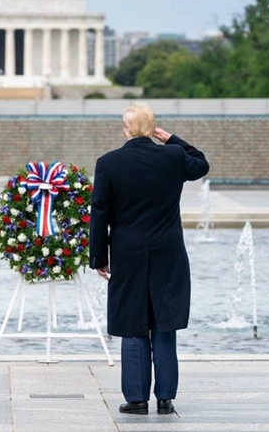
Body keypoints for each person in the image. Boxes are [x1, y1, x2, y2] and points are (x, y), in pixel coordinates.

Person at [89, 103, 209, 415]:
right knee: (164, 323)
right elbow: (201, 165)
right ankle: (166, 399)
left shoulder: (109, 163)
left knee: (133, 324)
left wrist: (99, 257)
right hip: (168, 250)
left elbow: (100, 213)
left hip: (128, 251)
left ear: (125, 129)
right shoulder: (172, 157)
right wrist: (172, 140)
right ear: (153, 128)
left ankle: (137, 399)